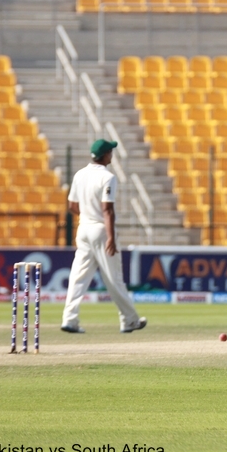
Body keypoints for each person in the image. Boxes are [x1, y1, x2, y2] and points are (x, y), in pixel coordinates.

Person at [61, 139, 146, 334]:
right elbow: (107, 210)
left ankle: (69, 319)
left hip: (83, 229)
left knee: (78, 277)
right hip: (100, 230)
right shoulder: (108, 177)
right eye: (111, 153)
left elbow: (72, 206)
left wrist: (88, 214)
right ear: (106, 155)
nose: (112, 156)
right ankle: (129, 320)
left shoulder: (79, 174)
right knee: (114, 278)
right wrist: (111, 238)